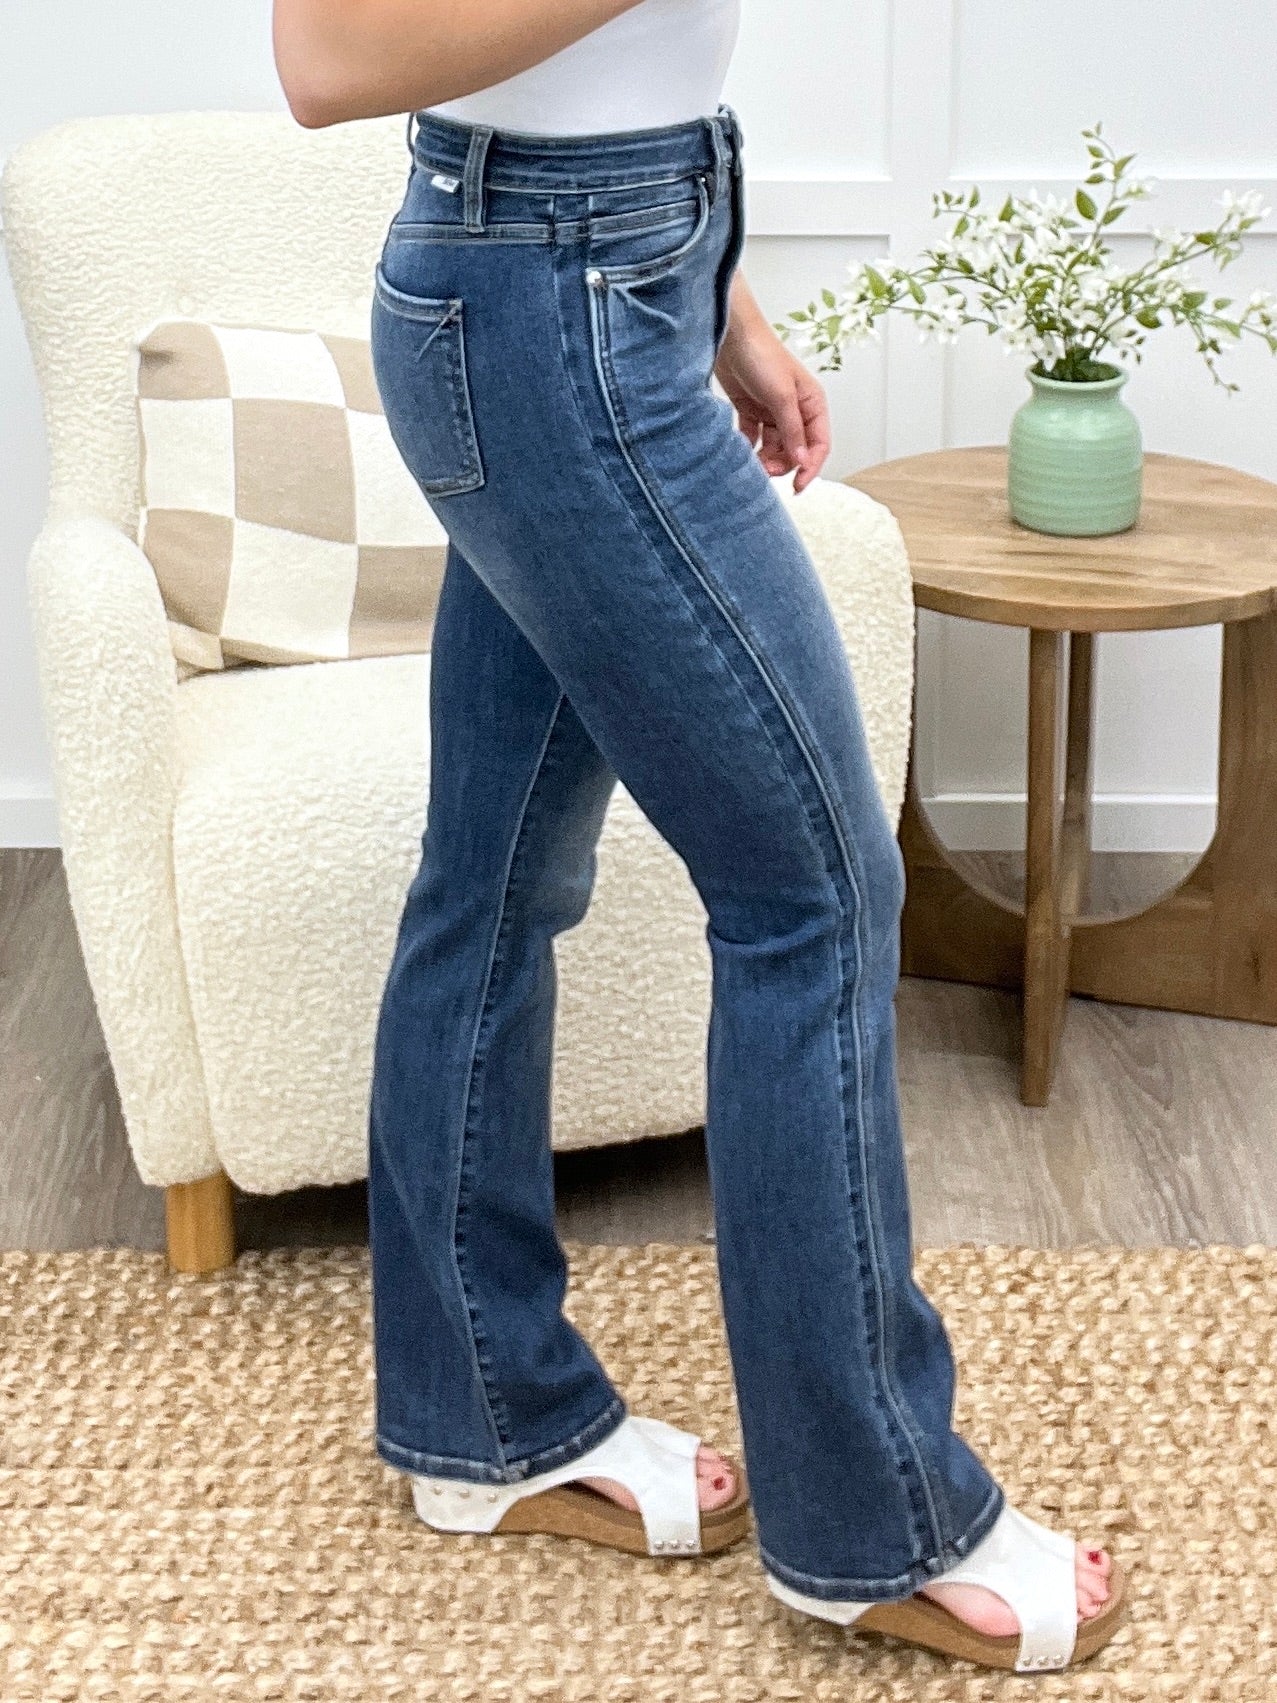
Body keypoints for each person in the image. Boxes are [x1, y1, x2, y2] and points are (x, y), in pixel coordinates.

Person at [273, 0, 1128, 1675]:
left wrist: (717, 298)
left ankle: (484, 1416)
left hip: (600, 277)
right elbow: (326, 58)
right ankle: (874, 1521)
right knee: (808, 899)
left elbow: (593, 79)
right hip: (550, 306)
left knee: (493, 878)